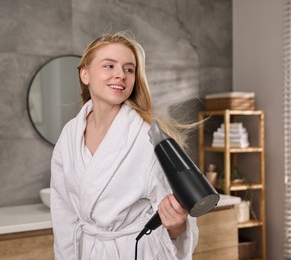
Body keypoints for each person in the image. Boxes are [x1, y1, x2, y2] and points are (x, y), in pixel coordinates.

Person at [50, 32, 199, 260]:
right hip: (88, 251)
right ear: (85, 74)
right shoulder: (70, 135)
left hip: (138, 251)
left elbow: (178, 223)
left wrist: (177, 224)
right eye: (109, 66)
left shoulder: (148, 138)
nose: (120, 75)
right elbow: (63, 214)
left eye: (129, 69)